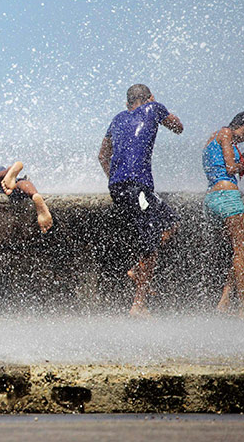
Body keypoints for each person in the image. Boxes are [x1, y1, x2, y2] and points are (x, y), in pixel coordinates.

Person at [98, 84, 183, 317]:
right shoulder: (153, 107)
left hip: (121, 187)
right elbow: (179, 128)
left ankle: (137, 270)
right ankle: (138, 305)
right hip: (137, 187)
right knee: (150, 243)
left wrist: (115, 177)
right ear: (150, 98)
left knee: (171, 223)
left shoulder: (117, 119)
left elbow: (102, 155)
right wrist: (159, 109)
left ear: (128, 104)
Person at [202, 112, 244, 318]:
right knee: (242, 250)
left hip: (212, 199)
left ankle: (224, 301)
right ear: (242, 125)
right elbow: (230, 167)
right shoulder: (226, 133)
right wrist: (240, 164)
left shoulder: (216, 137)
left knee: (241, 251)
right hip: (227, 197)